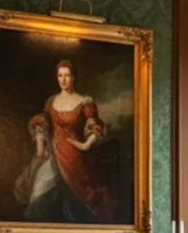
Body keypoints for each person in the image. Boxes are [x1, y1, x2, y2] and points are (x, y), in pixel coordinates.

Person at [14, 58, 116, 223]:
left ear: (74, 77)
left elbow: (94, 125)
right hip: (53, 153)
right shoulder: (50, 102)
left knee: (79, 198)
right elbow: (42, 123)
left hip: (75, 156)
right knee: (38, 193)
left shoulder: (85, 102)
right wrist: (41, 147)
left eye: (67, 75)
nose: (63, 79)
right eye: (60, 75)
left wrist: (85, 145)